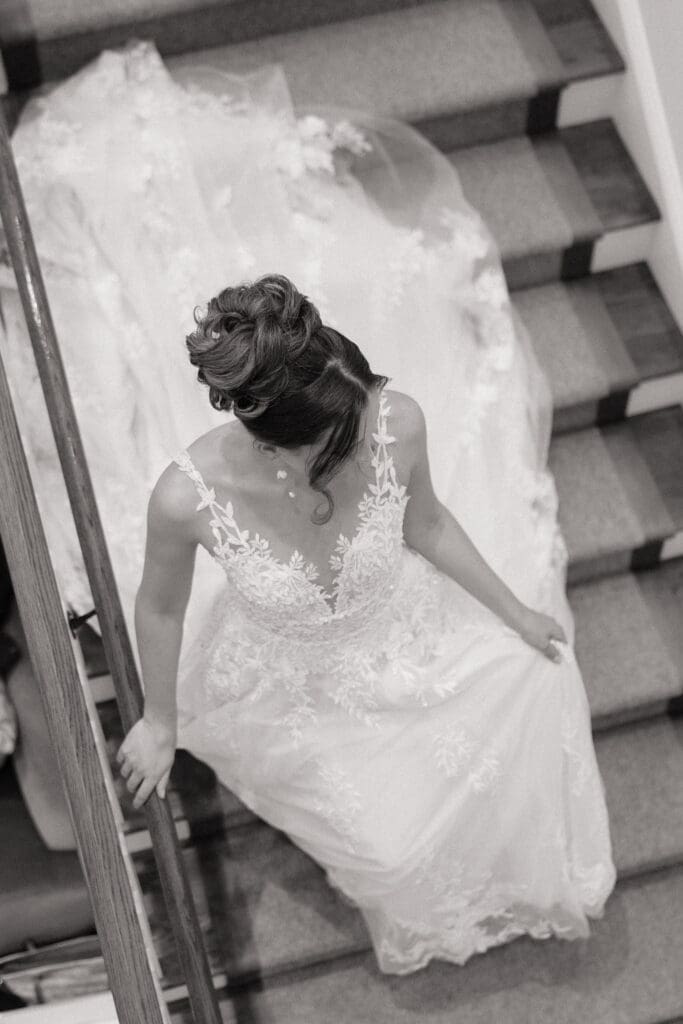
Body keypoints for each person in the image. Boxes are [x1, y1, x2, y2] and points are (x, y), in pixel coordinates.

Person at [0, 42, 616, 973]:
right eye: (330, 438)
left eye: (356, 419)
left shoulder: (390, 418)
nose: (356, 444)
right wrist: (159, 720)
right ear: (261, 430)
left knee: (529, 683)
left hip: (400, 632)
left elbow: (429, 525)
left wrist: (513, 611)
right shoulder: (187, 496)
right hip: (284, 678)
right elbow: (159, 605)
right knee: (388, 844)